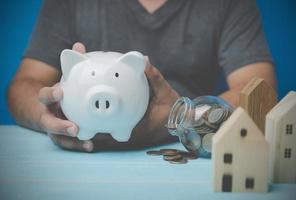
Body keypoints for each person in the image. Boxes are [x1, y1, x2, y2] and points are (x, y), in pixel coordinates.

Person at [8, 0, 276, 152]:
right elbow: (25, 84)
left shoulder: (228, 4)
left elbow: (259, 93)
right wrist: (47, 117)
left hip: (183, 149)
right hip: (81, 156)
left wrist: (182, 118)